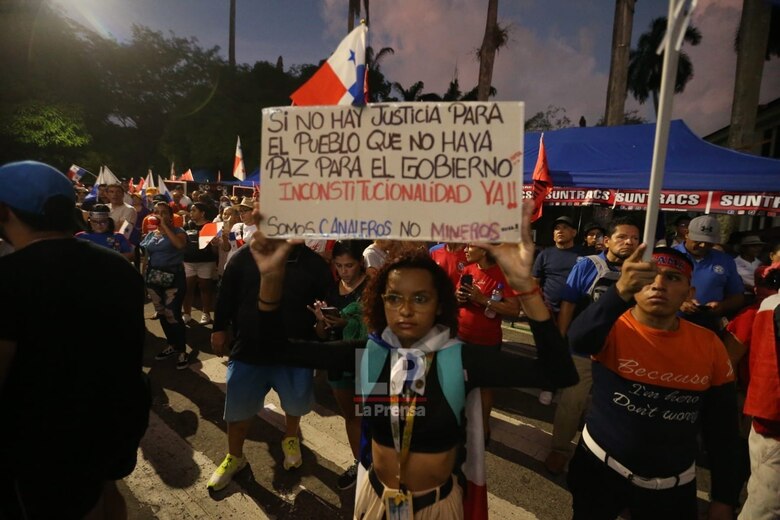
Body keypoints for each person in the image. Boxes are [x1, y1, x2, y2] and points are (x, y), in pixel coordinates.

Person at [247, 198, 578, 519]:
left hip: (438, 507)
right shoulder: (368, 353)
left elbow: (558, 373)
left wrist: (525, 288)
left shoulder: (459, 359)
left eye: (420, 298)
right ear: (380, 303)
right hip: (375, 500)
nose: (405, 310)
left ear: (439, 305)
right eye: (394, 298)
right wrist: (271, 280)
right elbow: (269, 350)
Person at [0, 161, 149, 519]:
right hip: (113, 422)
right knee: (106, 494)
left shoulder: (8, 277)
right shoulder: (117, 267)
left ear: (5, 212)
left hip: (43, 443)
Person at [566, 245, 740, 519]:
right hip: (599, 473)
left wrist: (724, 497)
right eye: (651, 275)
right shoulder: (611, 326)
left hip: (672, 488)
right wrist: (619, 290)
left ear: (689, 293)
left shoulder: (709, 345)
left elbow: (723, 428)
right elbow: (578, 339)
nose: (659, 284)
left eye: (672, 277)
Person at [207, 230, 334, 491]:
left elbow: (327, 306)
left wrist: (323, 338)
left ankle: (290, 438)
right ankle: (235, 456)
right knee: (238, 411)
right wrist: (219, 328)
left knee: (295, 405)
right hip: (249, 348)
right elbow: (226, 294)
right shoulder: (245, 255)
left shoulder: (314, 263)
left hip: (296, 350)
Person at [545, 216, 640, 475]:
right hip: (584, 349)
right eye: (622, 237)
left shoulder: (643, 271)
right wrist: (563, 340)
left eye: (634, 238)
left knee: (614, 407)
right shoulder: (588, 265)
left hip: (623, 353)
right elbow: (568, 303)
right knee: (572, 402)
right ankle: (560, 449)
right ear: (606, 241)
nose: (629, 242)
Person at [308, 240, 370, 489]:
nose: (345, 271)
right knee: (351, 415)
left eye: (350, 265)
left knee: (376, 413)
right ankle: (360, 463)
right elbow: (322, 334)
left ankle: (382, 462)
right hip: (338, 357)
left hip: (368, 357)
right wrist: (321, 320)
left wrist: (348, 323)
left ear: (361, 264)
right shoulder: (331, 290)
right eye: (339, 265)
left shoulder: (373, 288)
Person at [726, 261, 780, 519]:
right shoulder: (761, 312)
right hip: (765, 420)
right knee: (766, 505)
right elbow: (729, 360)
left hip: (762, 417)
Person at [457, 243, 521, 438]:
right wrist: (459, 296)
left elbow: (513, 310)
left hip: (487, 342)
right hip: (461, 338)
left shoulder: (503, 274)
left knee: (484, 387)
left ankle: (484, 428)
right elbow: (457, 295)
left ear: (484, 250)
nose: (465, 250)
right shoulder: (467, 269)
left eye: (470, 246)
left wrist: (483, 299)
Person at [532, 215, 582, 406]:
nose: (559, 231)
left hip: (577, 312)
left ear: (574, 232)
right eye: (556, 228)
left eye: (564, 227)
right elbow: (535, 283)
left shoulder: (584, 255)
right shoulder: (545, 254)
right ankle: (549, 386)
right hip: (549, 311)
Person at [140, 201, 189, 369]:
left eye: (164, 212)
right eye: (156, 212)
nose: (160, 215)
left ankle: (182, 350)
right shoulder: (150, 235)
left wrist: (165, 227)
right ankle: (172, 345)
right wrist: (142, 277)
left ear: (170, 215)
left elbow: (180, 245)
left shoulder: (178, 231)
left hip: (174, 278)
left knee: (172, 313)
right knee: (161, 312)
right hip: (154, 278)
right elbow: (146, 257)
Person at [675, 215, 744, 325]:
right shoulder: (670, 256)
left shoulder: (725, 260)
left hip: (708, 326)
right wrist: (677, 303)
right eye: (698, 241)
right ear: (687, 233)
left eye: (708, 243)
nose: (702, 245)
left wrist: (722, 306)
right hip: (671, 324)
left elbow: (737, 297)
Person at [182, 202, 219, 324]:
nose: (191, 213)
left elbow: (214, 251)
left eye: (194, 210)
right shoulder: (187, 225)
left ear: (202, 213)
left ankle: (206, 313)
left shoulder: (210, 226)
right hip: (188, 262)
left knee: (205, 288)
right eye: (191, 211)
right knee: (187, 288)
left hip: (206, 262)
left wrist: (214, 244)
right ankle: (186, 313)